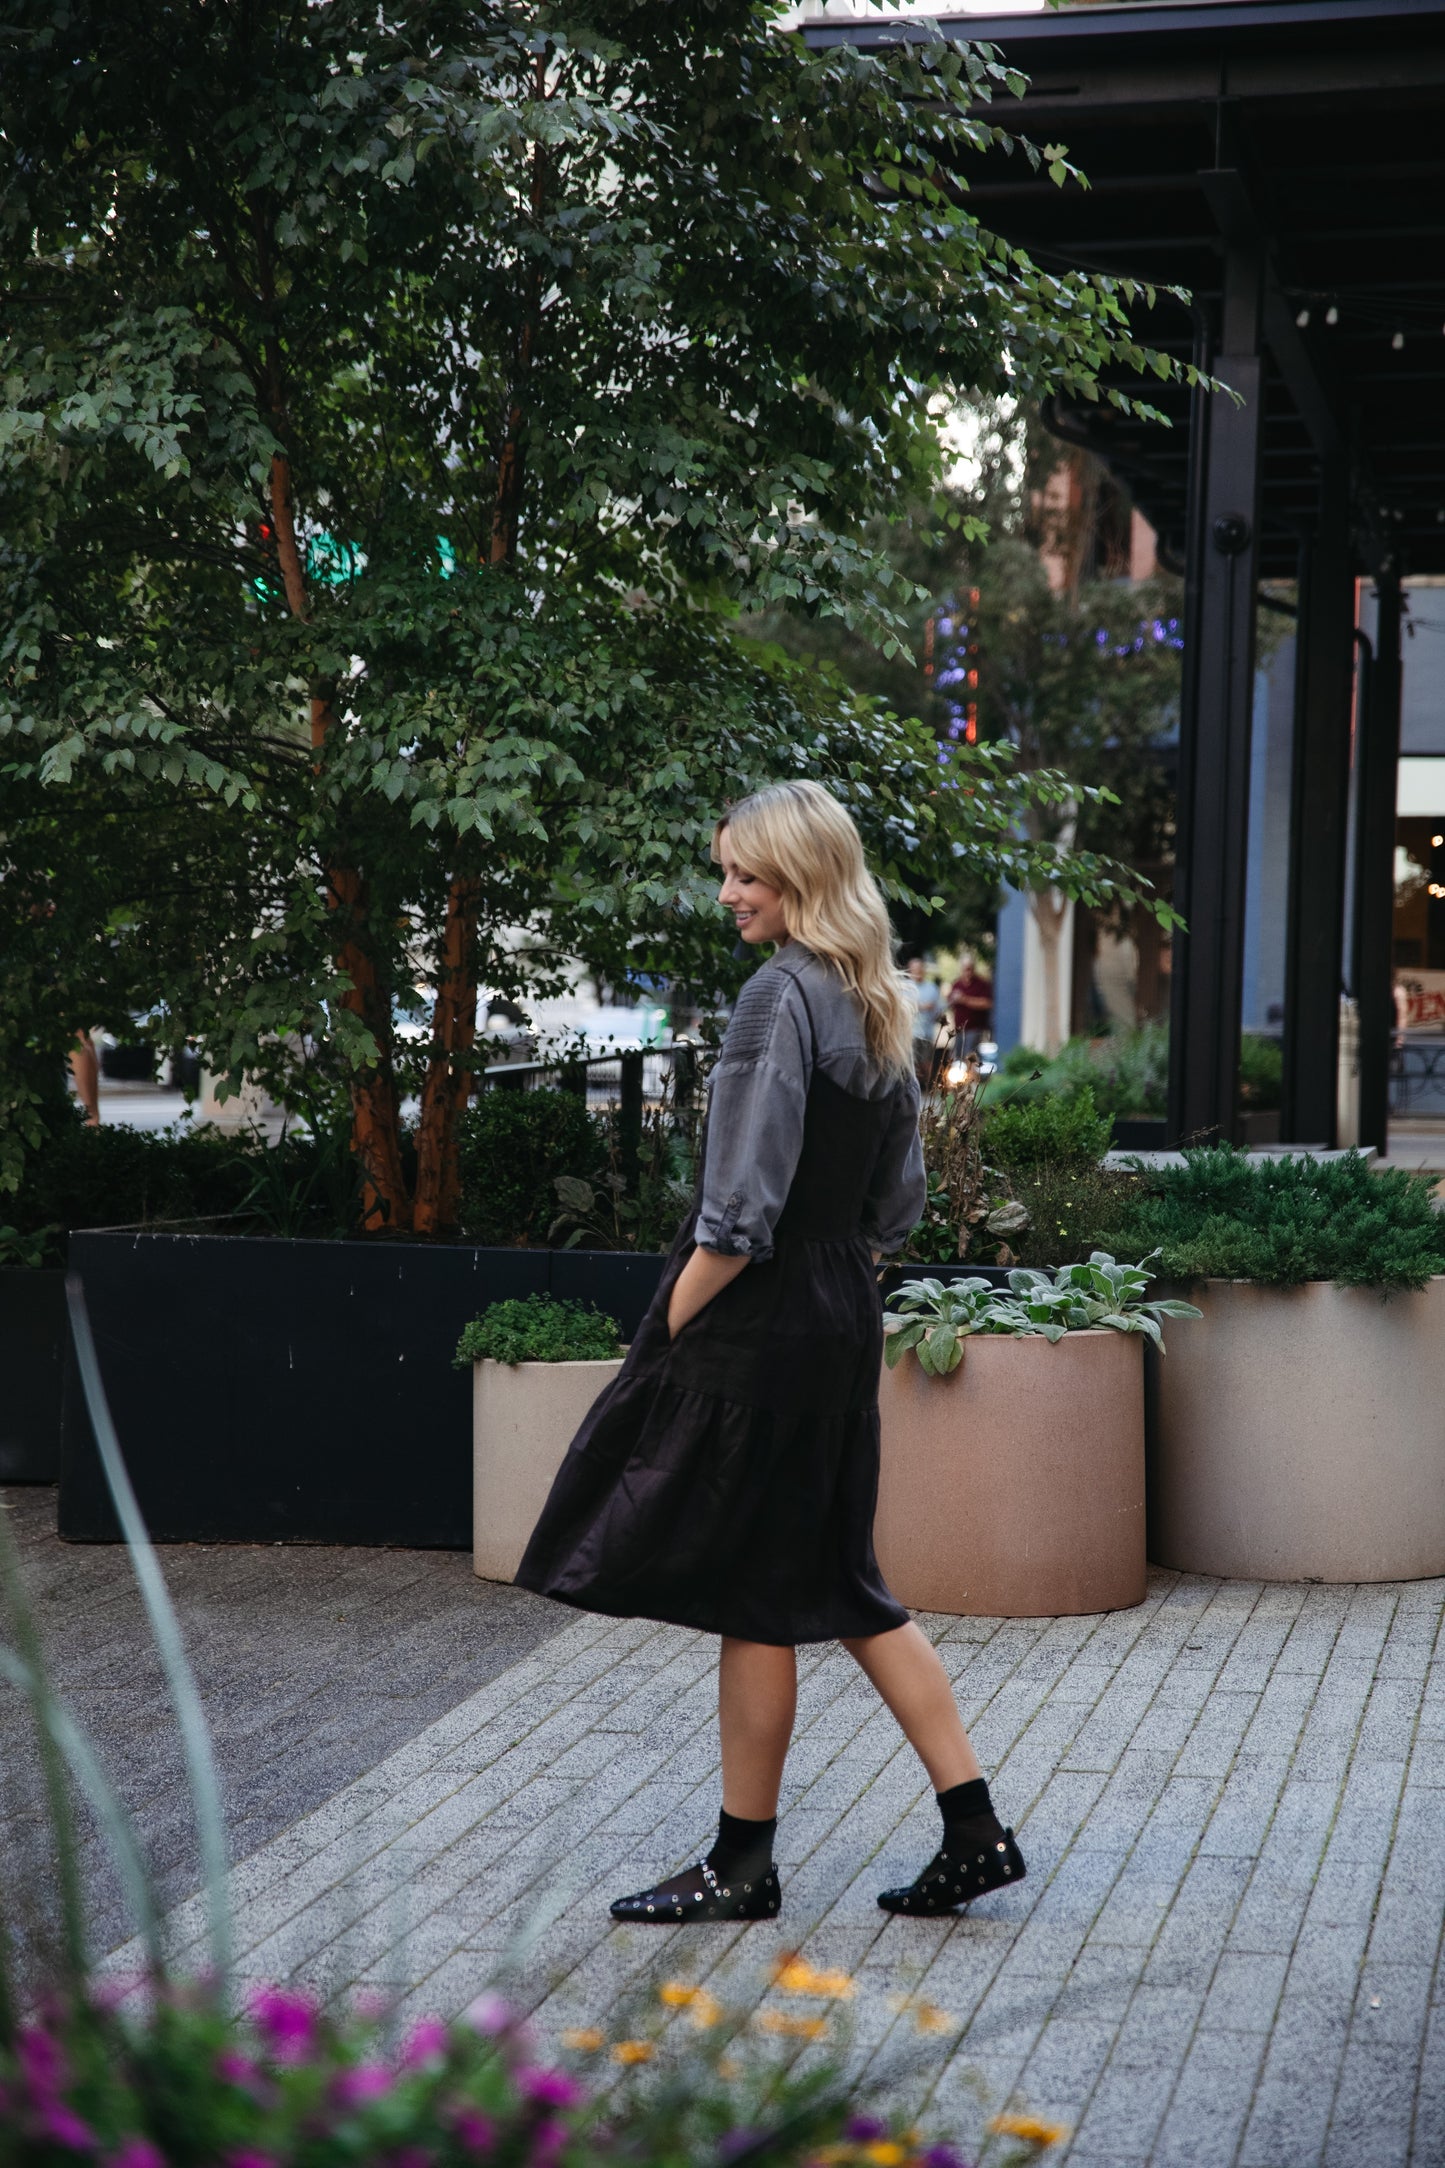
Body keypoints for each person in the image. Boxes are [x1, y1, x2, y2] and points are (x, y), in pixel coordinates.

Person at [516, 780, 1025, 1924]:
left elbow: (735, 1215)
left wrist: (662, 1327)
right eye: (727, 870)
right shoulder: (877, 999)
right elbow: (895, 1203)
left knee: (774, 1579)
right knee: (828, 1577)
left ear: (798, 876)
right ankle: (968, 1825)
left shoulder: (775, 999)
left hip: (767, 1306)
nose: (727, 892)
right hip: (841, 1301)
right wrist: (832, 1270)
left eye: (744, 872)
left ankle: (748, 1861)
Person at [904, 955, 944, 1086]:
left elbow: (939, 1008)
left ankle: (928, 1087)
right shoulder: (905, 987)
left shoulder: (932, 987)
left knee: (927, 1061)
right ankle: (911, 1087)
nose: (918, 972)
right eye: (915, 969)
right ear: (910, 970)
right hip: (909, 1032)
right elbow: (902, 1006)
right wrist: (921, 1006)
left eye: (920, 969)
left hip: (927, 1032)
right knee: (910, 1062)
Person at [947, 954, 994, 1059]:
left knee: (970, 1056)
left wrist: (964, 999)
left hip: (975, 1028)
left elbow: (987, 1003)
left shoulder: (982, 984)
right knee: (957, 1057)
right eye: (965, 969)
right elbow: (949, 1002)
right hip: (959, 1029)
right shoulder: (957, 984)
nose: (968, 972)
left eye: (970, 969)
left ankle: (972, 1075)